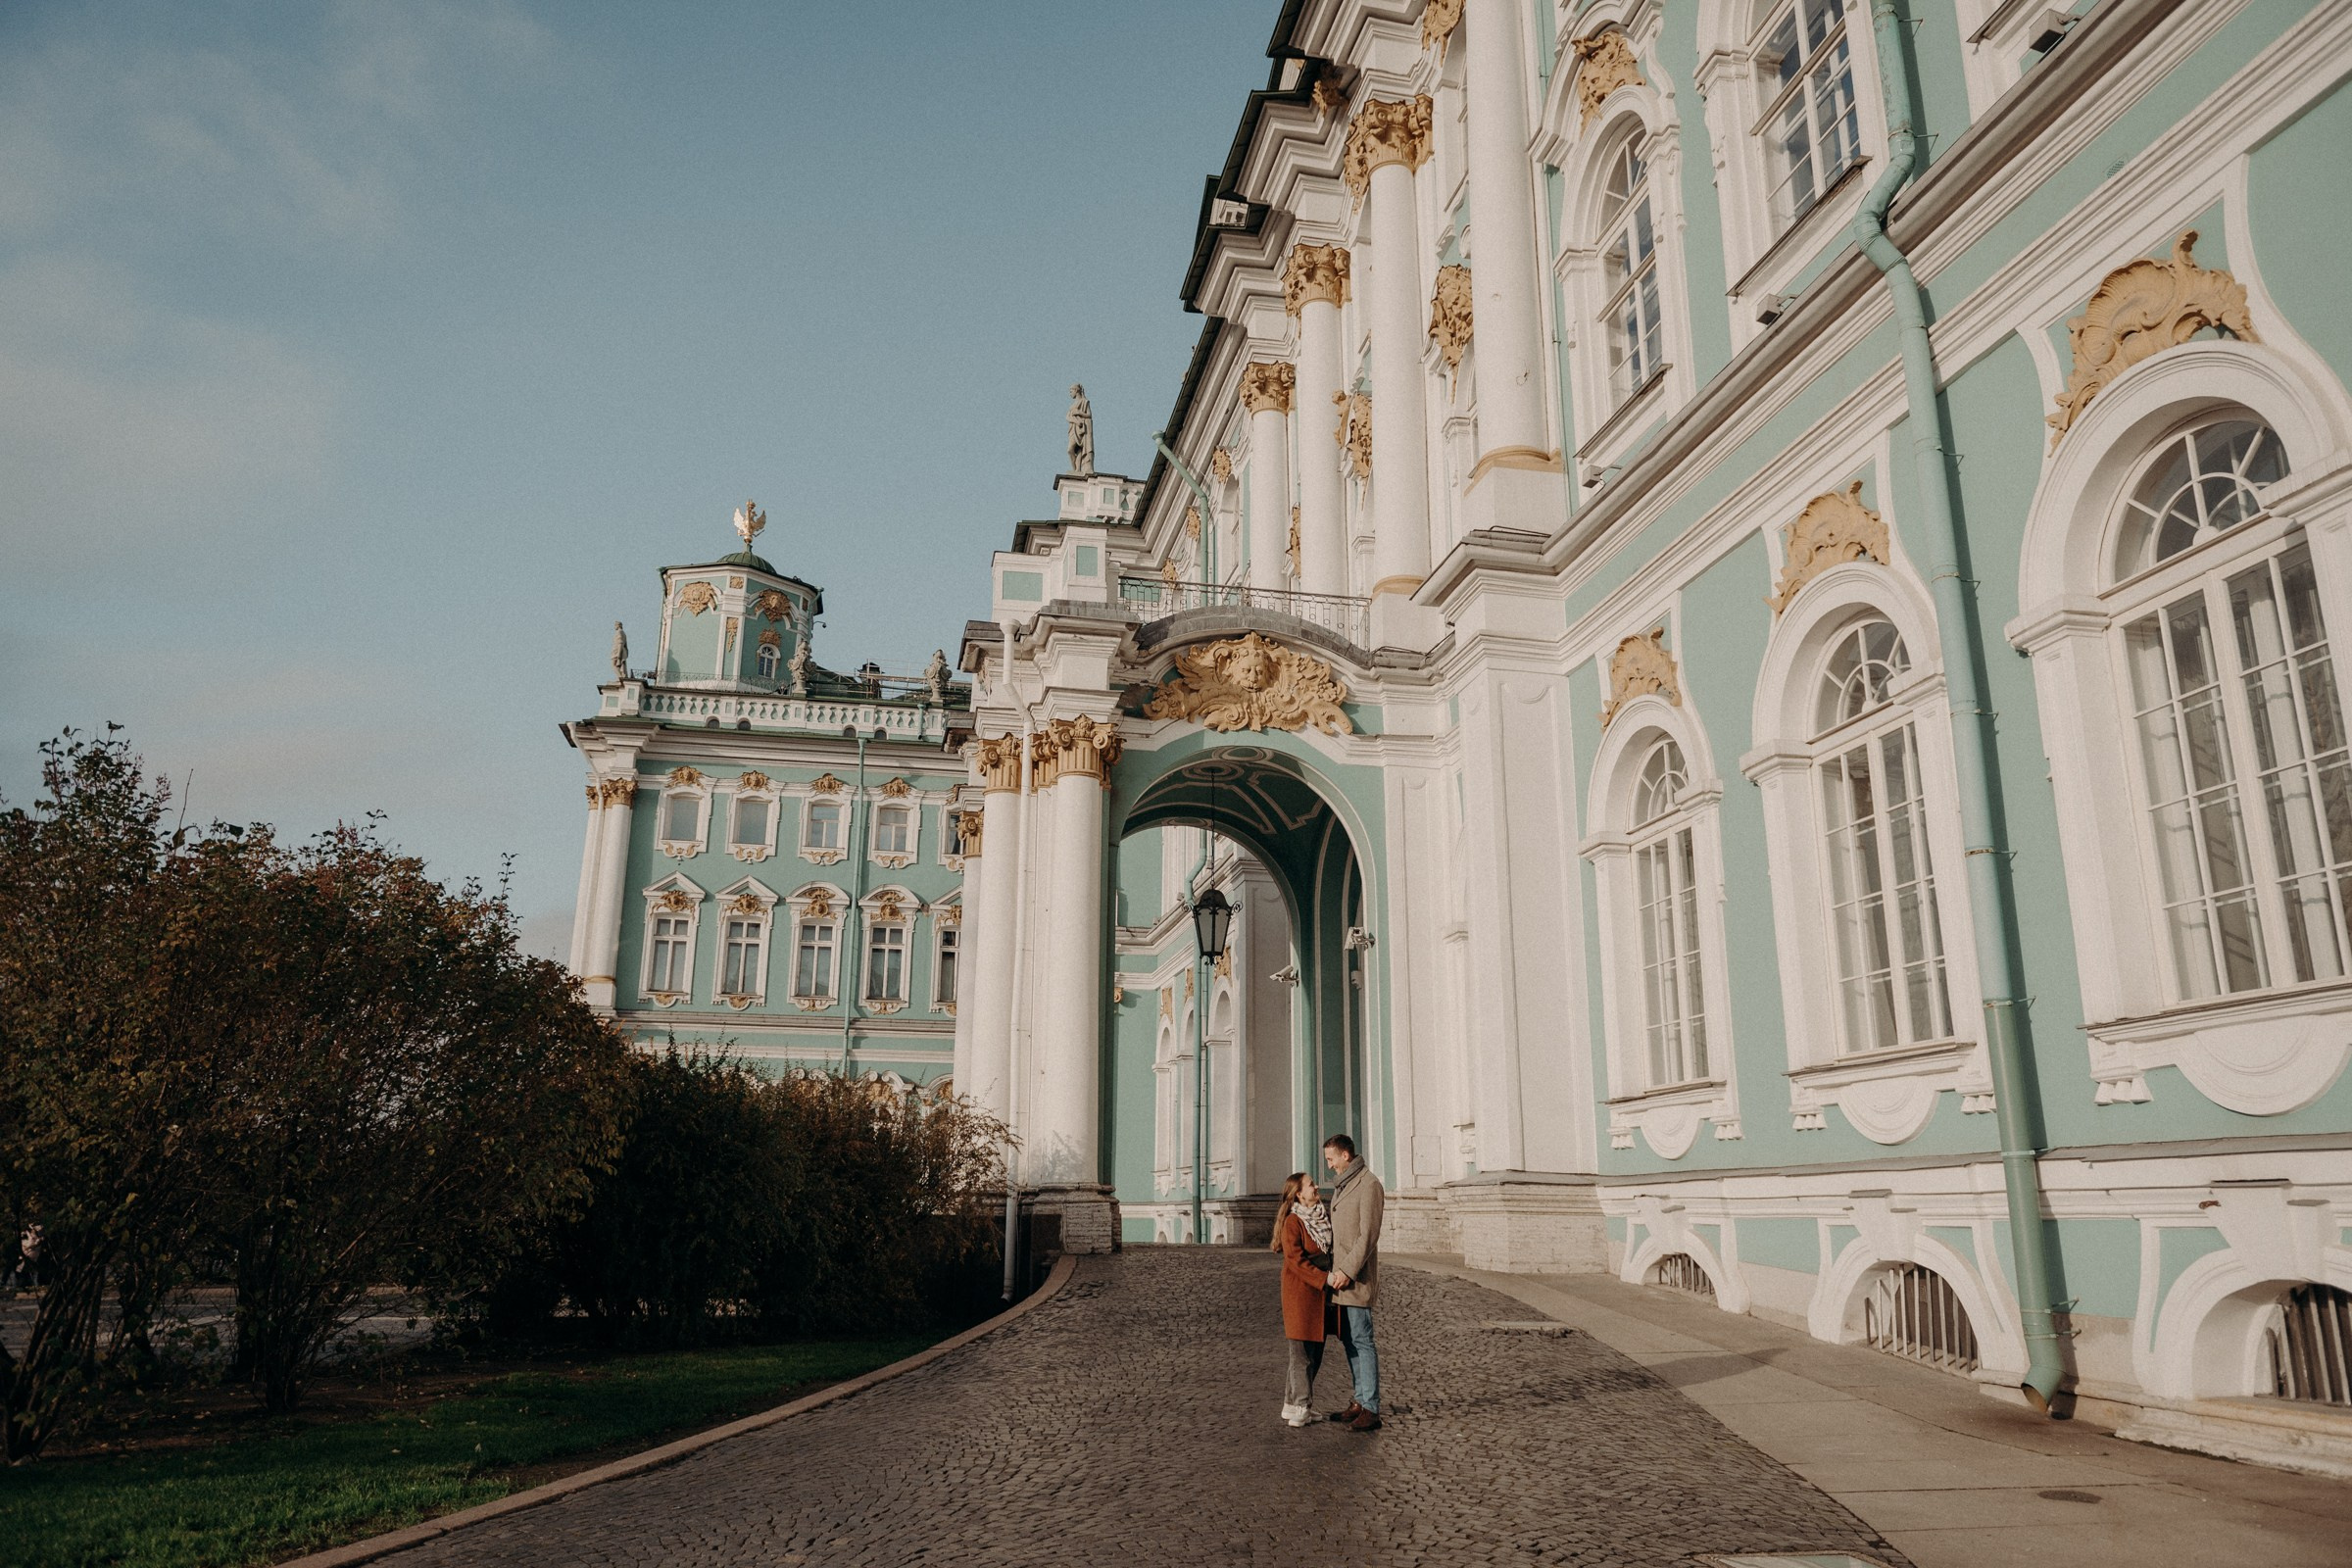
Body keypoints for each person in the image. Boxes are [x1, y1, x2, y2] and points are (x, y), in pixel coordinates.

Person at [1322, 1132, 1385, 1432]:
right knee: (1349, 1340)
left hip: (1355, 1278)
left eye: (1331, 1159)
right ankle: (1359, 1400)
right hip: (1340, 1280)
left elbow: (1367, 1236)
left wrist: (1346, 1270)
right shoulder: (1343, 1185)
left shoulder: (1369, 1185)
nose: (1330, 1166)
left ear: (1346, 1156)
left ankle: (1371, 1408)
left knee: (1363, 1340)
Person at [1271, 1171, 1336, 1428]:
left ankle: (1291, 1404)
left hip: (1319, 1296)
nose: (1316, 1187)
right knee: (1301, 1355)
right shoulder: (1293, 1222)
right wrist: (1326, 1278)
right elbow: (1295, 1261)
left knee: (1315, 1352)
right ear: (1298, 1193)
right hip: (1300, 1295)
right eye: (1311, 1185)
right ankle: (1301, 1405)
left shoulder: (1321, 1216)